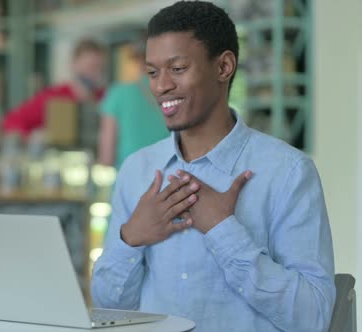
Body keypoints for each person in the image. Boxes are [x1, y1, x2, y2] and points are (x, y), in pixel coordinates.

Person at [90, 2, 335, 332]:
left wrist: (223, 230)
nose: (161, 86)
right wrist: (131, 237)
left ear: (224, 67)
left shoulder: (288, 172)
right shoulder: (137, 170)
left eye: (177, 69)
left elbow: (314, 318)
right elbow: (109, 310)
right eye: (152, 72)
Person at [1, 38, 106, 137]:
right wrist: (36, 138)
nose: (97, 73)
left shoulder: (106, 98)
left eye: (100, 67)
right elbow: (11, 121)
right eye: (92, 67)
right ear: (74, 64)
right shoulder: (54, 97)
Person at [97, 38, 170, 169]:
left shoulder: (117, 94)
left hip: (129, 178)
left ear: (137, 61)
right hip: (171, 178)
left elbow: (107, 157)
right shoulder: (174, 91)